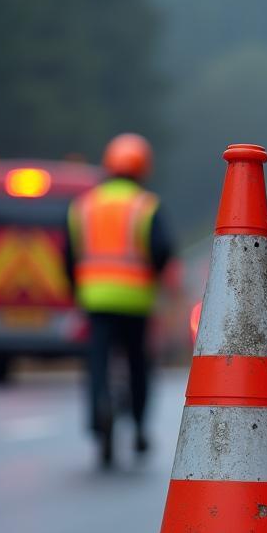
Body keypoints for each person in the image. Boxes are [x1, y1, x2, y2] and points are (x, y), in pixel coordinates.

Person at [64, 133, 173, 467]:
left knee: (97, 362)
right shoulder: (146, 206)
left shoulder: (84, 205)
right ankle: (139, 427)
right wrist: (152, 279)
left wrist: (77, 289)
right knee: (138, 364)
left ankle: (100, 410)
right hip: (136, 301)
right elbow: (161, 251)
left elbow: (69, 254)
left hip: (96, 299)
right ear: (142, 169)